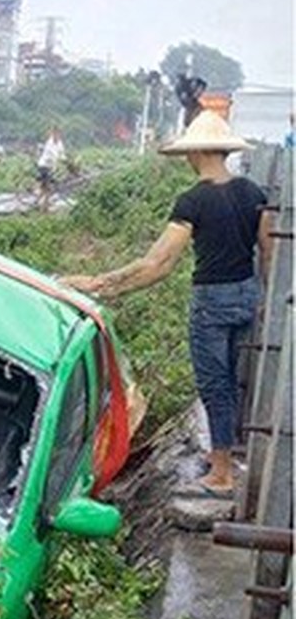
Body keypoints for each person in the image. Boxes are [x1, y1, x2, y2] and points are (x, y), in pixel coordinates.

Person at [63, 112, 273, 496]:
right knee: (240, 378)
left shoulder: (193, 201)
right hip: (247, 295)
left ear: (197, 153)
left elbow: (158, 264)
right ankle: (228, 455)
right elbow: (269, 252)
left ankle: (222, 473)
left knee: (215, 384)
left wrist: (98, 284)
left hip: (211, 301)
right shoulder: (253, 193)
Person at [35, 127, 66, 211]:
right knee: (48, 186)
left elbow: (62, 153)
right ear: (52, 134)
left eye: (58, 134)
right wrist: (59, 159)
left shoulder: (59, 143)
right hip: (44, 165)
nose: (57, 136)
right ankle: (43, 205)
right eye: (55, 134)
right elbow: (52, 155)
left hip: (51, 167)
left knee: (46, 186)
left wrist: (66, 160)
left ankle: (40, 200)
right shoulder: (49, 143)